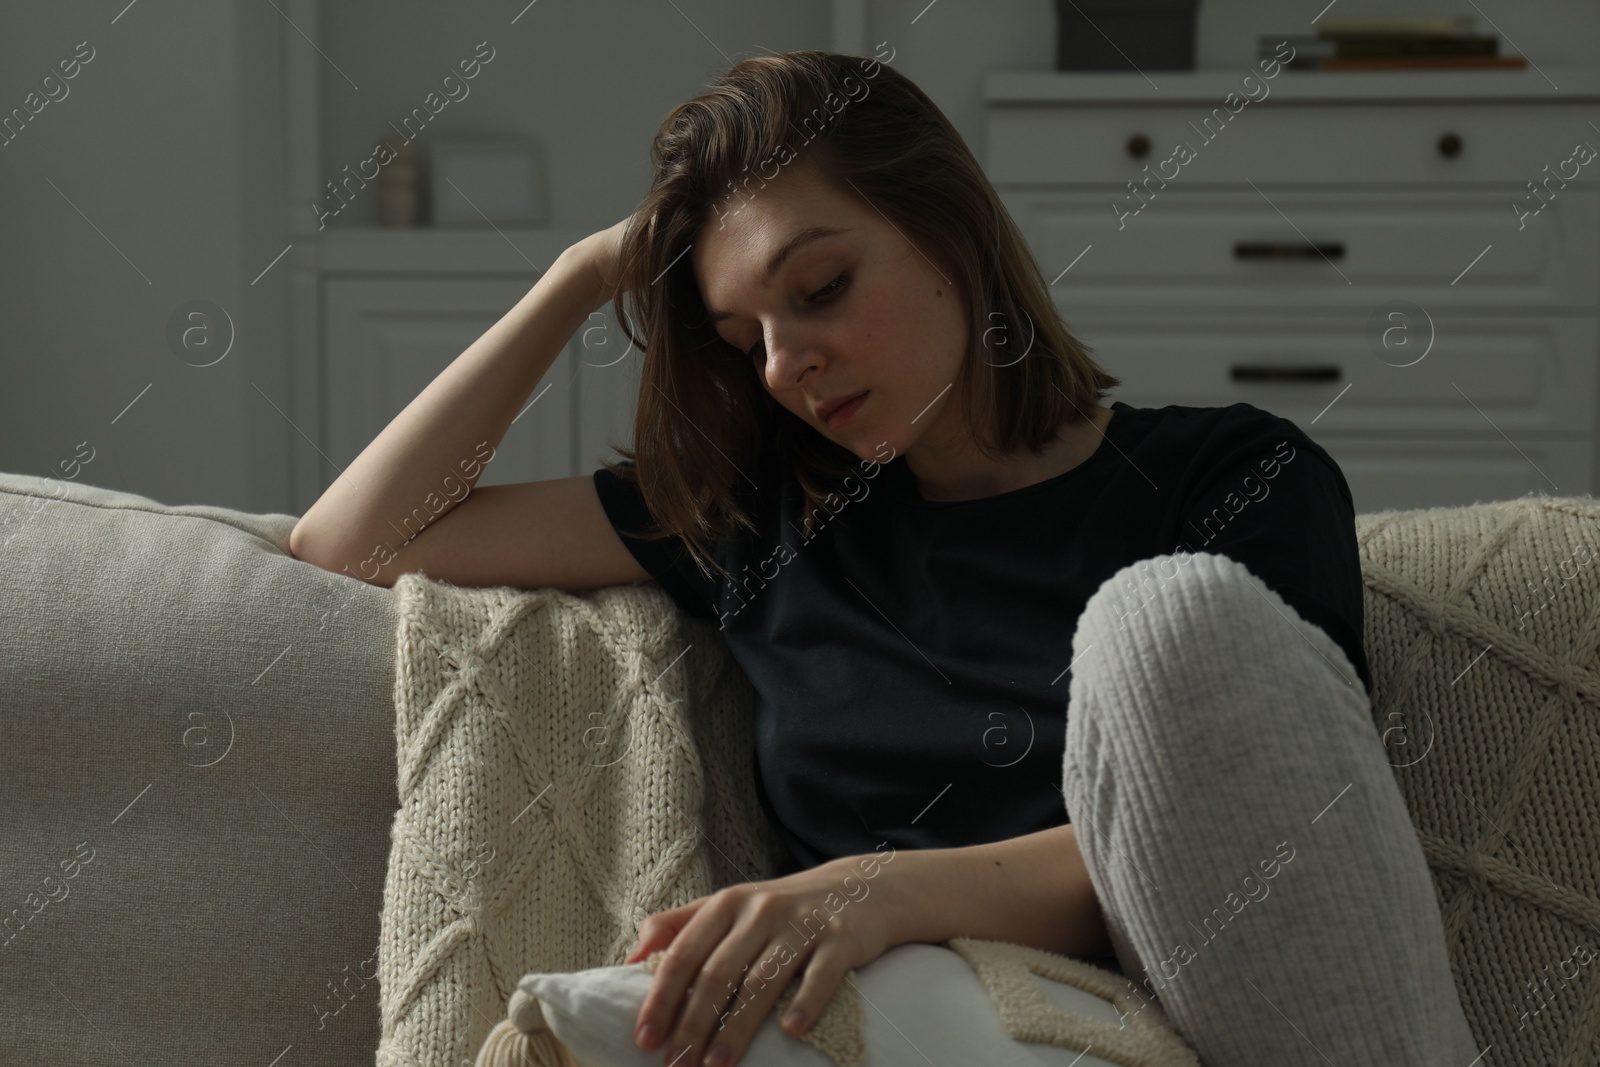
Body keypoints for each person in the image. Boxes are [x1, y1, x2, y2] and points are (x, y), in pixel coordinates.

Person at [291, 49, 1480, 1067]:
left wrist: (874, 890)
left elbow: (1284, 818)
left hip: (1241, 1001)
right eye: (741, 336)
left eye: (820, 288)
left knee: (1159, 620)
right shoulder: (759, 523)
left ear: (948, 234)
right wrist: (581, 277)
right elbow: (354, 541)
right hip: (936, 1023)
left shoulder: (1236, 473)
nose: (780, 364)